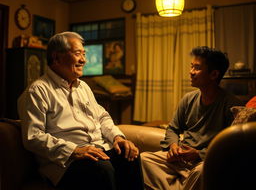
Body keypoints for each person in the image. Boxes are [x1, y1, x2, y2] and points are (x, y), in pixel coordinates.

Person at [18, 31, 144, 190]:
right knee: (102, 170)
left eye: (84, 54)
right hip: (66, 162)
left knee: (130, 155)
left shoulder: (83, 87)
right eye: (78, 54)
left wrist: (117, 137)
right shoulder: (37, 91)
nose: (83, 60)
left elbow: (102, 117)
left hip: (98, 150)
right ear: (56, 58)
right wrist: (74, 150)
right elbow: (33, 137)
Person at [141, 46, 243, 190]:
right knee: (144, 159)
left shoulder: (232, 105)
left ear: (214, 74)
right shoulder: (188, 99)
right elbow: (173, 128)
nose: (191, 72)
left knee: (201, 172)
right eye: (191, 66)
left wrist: (199, 154)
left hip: (204, 160)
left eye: (197, 68)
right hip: (180, 159)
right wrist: (173, 146)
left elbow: (231, 146)